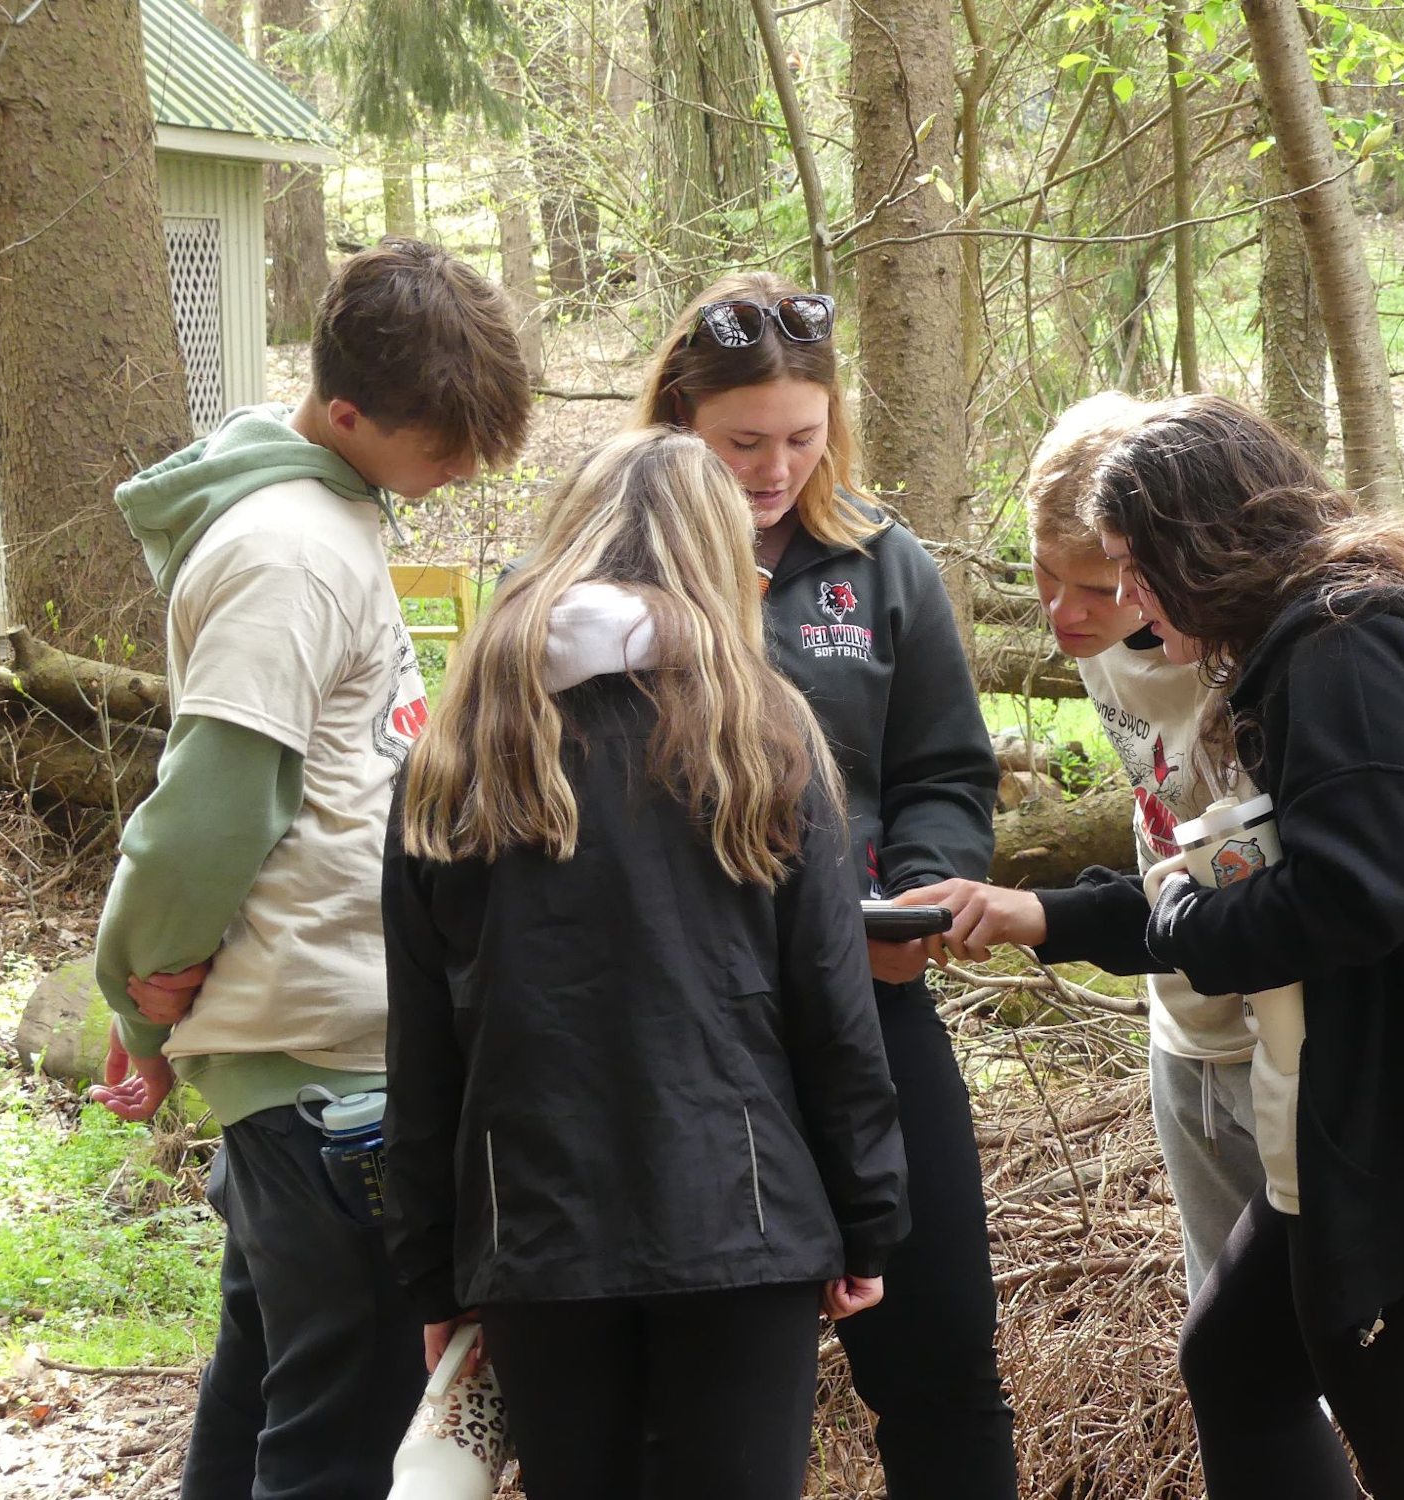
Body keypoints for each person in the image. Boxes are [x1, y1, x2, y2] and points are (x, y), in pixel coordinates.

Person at [1030, 394, 1404, 1499]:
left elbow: (1367, 884)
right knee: (1237, 1365)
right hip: (1399, 1107)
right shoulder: (1369, 618)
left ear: (1194, 549)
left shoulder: (1342, 651)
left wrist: (1188, 928)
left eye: (1132, 571)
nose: (1138, 610)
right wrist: (1075, 918)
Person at [381, 427, 908, 1500]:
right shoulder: (765, 738)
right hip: (744, 1222)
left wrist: (431, 1262)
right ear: (718, 560)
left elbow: (424, 1044)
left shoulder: (457, 754)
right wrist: (868, 1217)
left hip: (530, 1232)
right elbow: (829, 1012)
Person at [88, 238, 534, 1499]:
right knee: (341, 1441)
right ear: (345, 414)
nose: (456, 474)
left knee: (267, 1409)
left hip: (330, 1053)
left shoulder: (333, 509)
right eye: (442, 448)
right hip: (327, 1069)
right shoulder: (286, 551)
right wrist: (136, 995)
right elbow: (211, 808)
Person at [613, 271, 1019, 1499]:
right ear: (677, 422)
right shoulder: (603, 570)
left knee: (939, 1355)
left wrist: (929, 891)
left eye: (803, 437)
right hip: (676, 1033)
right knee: (695, 1394)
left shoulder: (882, 566)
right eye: (743, 442)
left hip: (868, 1001)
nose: (774, 468)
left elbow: (946, 768)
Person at [900, 392, 1266, 1297]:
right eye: (1041, 576)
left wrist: (1055, 914)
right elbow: (1168, 844)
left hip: (1296, 1036)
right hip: (1183, 1024)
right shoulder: (1099, 645)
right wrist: (1036, 915)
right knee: (1228, 1345)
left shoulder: (1251, 654)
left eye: (1098, 587)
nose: (1064, 614)